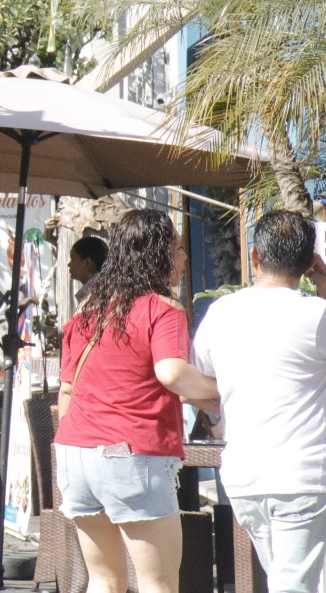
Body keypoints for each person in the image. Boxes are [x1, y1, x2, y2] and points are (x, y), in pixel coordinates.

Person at [54, 209, 219, 593]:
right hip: (131, 453)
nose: (183, 258)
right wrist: (221, 389)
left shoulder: (87, 311)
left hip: (75, 453)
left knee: (103, 580)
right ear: (159, 255)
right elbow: (172, 373)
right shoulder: (162, 307)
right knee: (157, 582)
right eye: (178, 249)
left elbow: (67, 389)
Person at [193, 211, 326, 593]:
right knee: (293, 585)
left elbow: (204, 377)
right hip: (303, 474)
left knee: (284, 581)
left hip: (245, 475)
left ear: (254, 257)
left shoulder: (220, 312)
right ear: (310, 263)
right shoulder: (319, 315)